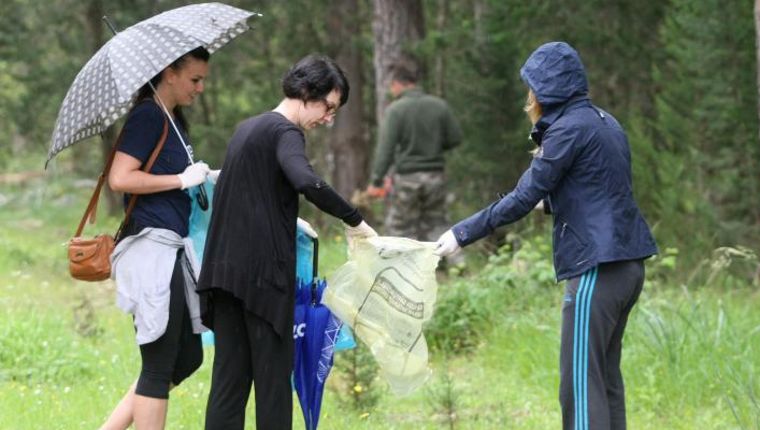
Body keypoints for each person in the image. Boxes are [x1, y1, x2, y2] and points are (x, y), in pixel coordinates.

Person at [434, 42, 658, 430]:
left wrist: (460, 233)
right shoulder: (606, 122)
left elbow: (522, 198)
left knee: (579, 389)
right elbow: (595, 189)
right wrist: (550, 202)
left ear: (546, 89)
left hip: (596, 269)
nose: (529, 97)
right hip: (628, 265)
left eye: (532, 88)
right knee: (603, 381)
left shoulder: (568, 129)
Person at [196, 54, 377, 430]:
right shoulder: (285, 132)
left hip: (223, 277)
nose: (328, 118)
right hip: (262, 281)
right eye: (328, 107)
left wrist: (288, 216)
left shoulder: (247, 128)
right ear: (306, 91)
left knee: (228, 387)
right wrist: (355, 220)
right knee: (274, 386)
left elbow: (250, 193)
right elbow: (306, 179)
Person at [102, 46, 213, 430]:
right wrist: (180, 179)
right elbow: (120, 178)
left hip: (173, 249)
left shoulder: (173, 119)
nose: (200, 88)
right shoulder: (148, 116)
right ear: (169, 72)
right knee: (159, 363)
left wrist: (200, 176)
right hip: (151, 250)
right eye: (194, 79)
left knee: (187, 357)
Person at [365, 62, 462, 242]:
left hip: (407, 178)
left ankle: (402, 268)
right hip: (435, 176)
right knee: (437, 223)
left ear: (397, 84)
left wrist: (376, 181)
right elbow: (455, 138)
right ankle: (455, 265)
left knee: (400, 227)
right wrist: (433, 147)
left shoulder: (396, 110)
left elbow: (386, 149)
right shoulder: (439, 106)